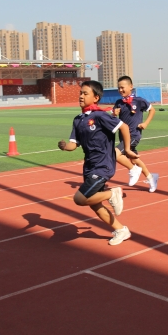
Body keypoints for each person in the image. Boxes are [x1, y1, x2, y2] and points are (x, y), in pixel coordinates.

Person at [58, 80, 139, 246]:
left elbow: (123, 127)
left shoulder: (100, 116)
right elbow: (74, 144)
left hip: (103, 165)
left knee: (80, 199)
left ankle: (113, 193)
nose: (81, 96)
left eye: (85, 93)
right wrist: (66, 147)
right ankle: (121, 230)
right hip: (89, 166)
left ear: (95, 98)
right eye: (80, 93)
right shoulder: (78, 120)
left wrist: (128, 149)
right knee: (94, 204)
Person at [112, 75, 159, 192]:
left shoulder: (139, 101)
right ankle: (151, 177)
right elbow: (114, 117)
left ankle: (133, 170)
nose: (120, 90)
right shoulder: (119, 102)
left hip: (134, 135)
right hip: (123, 136)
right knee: (134, 159)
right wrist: (114, 114)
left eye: (122, 87)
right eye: (119, 88)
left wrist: (146, 123)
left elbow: (152, 110)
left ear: (131, 87)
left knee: (115, 154)